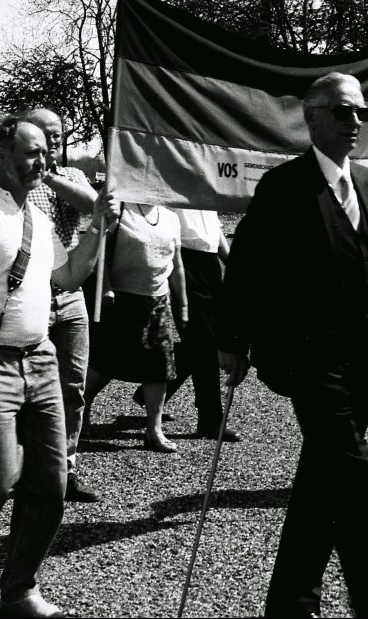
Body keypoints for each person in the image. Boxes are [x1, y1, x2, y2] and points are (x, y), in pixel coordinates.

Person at [0, 116, 116, 617]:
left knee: (51, 484)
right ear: (2, 155)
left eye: (45, 153)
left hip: (42, 358)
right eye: (32, 153)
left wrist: (98, 229)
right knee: (1, 473)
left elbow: (67, 275)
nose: (43, 161)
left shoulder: (39, 216)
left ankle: (20, 590)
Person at [219, 72, 368, 617]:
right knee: (354, 479)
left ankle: (290, 601)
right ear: (313, 117)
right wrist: (232, 338)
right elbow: (248, 267)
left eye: (359, 111)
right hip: (311, 359)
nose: (354, 122)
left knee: (322, 482)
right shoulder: (284, 188)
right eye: (342, 112)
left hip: (362, 362)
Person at [23, 108, 102, 501]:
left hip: (70, 299)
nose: (54, 141)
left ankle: (65, 468)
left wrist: (49, 172)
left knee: (72, 386)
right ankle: (24, 466)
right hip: (27, 297)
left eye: (58, 135)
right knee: (25, 387)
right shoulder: (14, 179)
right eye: (44, 134)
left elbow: (93, 205)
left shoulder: (70, 176)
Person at [83, 202, 186, 453]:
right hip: (121, 299)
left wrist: (182, 305)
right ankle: (81, 409)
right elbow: (100, 253)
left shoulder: (171, 218)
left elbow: (177, 265)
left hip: (157, 302)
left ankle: (154, 431)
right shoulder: (119, 211)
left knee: (159, 366)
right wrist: (105, 286)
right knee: (104, 363)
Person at [156, 209, 240, 441]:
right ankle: (211, 420)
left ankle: (151, 392)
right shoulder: (176, 178)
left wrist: (233, 266)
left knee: (204, 340)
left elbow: (215, 232)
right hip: (184, 259)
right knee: (203, 341)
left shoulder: (203, 184)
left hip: (209, 262)